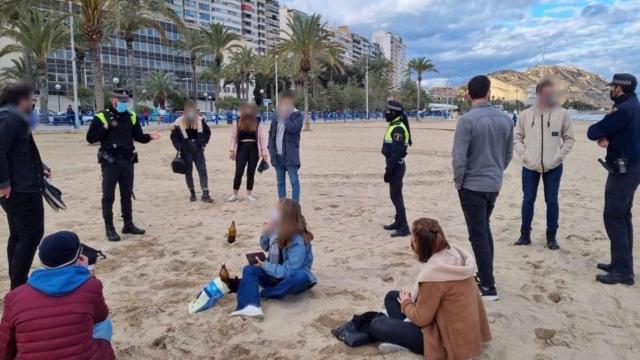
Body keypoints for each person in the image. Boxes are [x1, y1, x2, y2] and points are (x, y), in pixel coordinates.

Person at [367, 218, 491, 358]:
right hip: (462, 330)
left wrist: (407, 304)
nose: (411, 243)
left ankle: (403, 340)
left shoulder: (434, 275)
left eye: (413, 239)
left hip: (445, 339)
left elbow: (421, 319)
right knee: (391, 296)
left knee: (377, 324)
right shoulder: (455, 254)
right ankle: (402, 333)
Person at [0, 231, 115, 359]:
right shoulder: (91, 286)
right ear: (79, 257)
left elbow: (5, 345)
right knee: (104, 324)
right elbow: (100, 316)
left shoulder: (14, 297)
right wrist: (86, 273)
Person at [452, 75, 513, 300]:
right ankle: (485, 275)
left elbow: (459, 158)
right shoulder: (506, 120)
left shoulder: (467, 121)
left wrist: (459, 183)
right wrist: (496, 172)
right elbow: (508, 155)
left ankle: (488, 285)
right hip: (493, 183)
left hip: (473, 185)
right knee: (483, 229)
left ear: (469, 94)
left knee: (478, 234)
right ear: (489, 92)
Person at [86, 89, 161, 242]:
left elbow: (138, 136)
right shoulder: (101, 116)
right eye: (121, 101)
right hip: (110, 162)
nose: (124, 103)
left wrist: (150, 137)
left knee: (126, 194)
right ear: (113, 100)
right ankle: (110, 228)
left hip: (127, 160)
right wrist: (106, 126)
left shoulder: (131, 116)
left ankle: (128, 224)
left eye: (126, 101)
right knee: (108, 196)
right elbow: (90, 138)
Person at [587, 73, 640, 286]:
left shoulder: (623, 109)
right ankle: (620, 263)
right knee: (623, 217)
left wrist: (606, 134)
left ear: (620, 88)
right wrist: (613, 136)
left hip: (625, 170)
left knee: (614, 217)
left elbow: (592, 132)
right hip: (631, 167)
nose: (610, 90)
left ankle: (623, 271)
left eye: (613, 87)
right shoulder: (634, 105)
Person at [230, 199, 316, 319]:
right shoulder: (276, 229)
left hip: (290, 280)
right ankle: (250, 306)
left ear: (285, 216)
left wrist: (265, 265)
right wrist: (266, 232)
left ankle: (265, 292)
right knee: (249, 269)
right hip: (273, 275)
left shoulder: (298, 239)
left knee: (300, 277)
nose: (273, 214)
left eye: (277, 211)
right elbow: (264, 246)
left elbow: (290, 271)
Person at [514, 80, 575, 250]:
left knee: (552, 201)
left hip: (553, 167)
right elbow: (516, 137)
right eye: (546, 94)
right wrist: (524, 155)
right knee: (528, 200)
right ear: (539, 93)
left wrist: (558, 157)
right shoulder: (525, 115)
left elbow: (569, 139)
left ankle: (551, 237)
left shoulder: (562, 114)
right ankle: (525, 235)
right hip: (530, 166)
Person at [0, 83, 50, 290]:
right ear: (22, 100)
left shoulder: (10, 116)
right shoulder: (10, 118)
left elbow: (17, 151)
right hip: (20, 188)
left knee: (18, 234)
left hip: (21, 183)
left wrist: (40, 166)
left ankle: (17, 281)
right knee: (31, 235)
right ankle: (19, 284)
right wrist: (3, 183)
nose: (33, 103)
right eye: (31, 99)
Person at [170, 101, 213, 203]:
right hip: (186, 150)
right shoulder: (178, 122)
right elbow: (174, 137)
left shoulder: (200, 120)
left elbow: (208, 133)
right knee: (188, 172)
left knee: (202, 171)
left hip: (198, 148)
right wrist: (179, 148)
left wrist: (203, 143)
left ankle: (205, 194)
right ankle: (192, 193)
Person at [382, 100, 412, 237]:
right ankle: (398, 221)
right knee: (394, 196)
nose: (386, 113)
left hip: (396, 166)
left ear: (394, 112)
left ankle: (404, 226)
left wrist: (389, 170)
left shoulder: (398, 127)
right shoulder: (395, 124)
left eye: (388, 111)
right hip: (394, 164)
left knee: (396, 197)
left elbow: (396, 152)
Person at [228, 104, 269, 202]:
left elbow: (262, 139)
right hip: (241, 149)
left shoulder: (257, 123)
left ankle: (249, 194)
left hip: (254, 150)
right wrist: (232, 149)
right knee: (239, 172)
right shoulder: (237, 122)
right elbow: (233, 137)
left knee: (251, 172)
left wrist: (264, 152)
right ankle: (234, 194)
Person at [268, 90, 303, 202]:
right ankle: (282, 206)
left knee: (294, 181)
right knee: (280, 182)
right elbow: (271, 132)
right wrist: (270, 147)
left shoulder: (297, 115)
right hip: (277, 155)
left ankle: (295, 206)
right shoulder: (277, 115)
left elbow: (292, 128)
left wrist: (286, 116)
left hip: (290, 155)